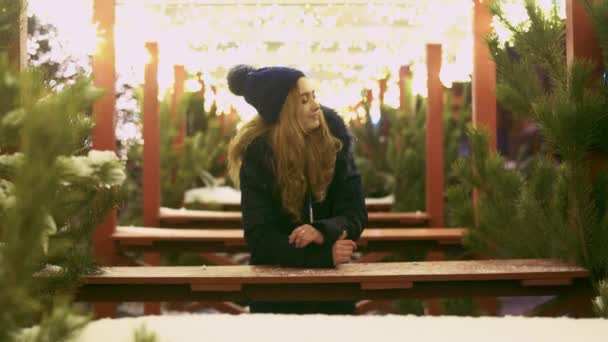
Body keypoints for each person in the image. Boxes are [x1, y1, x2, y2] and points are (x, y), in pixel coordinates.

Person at [226, 65, 368, 314]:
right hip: (275, 292)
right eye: (304, 100)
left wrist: (323, 231)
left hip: (334, 290)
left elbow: (355, 213)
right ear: (283, 109)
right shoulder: (260, 157)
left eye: (314, 96)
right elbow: (260, 238)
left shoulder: (336, 146)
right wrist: (323, 256)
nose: (315, 106)